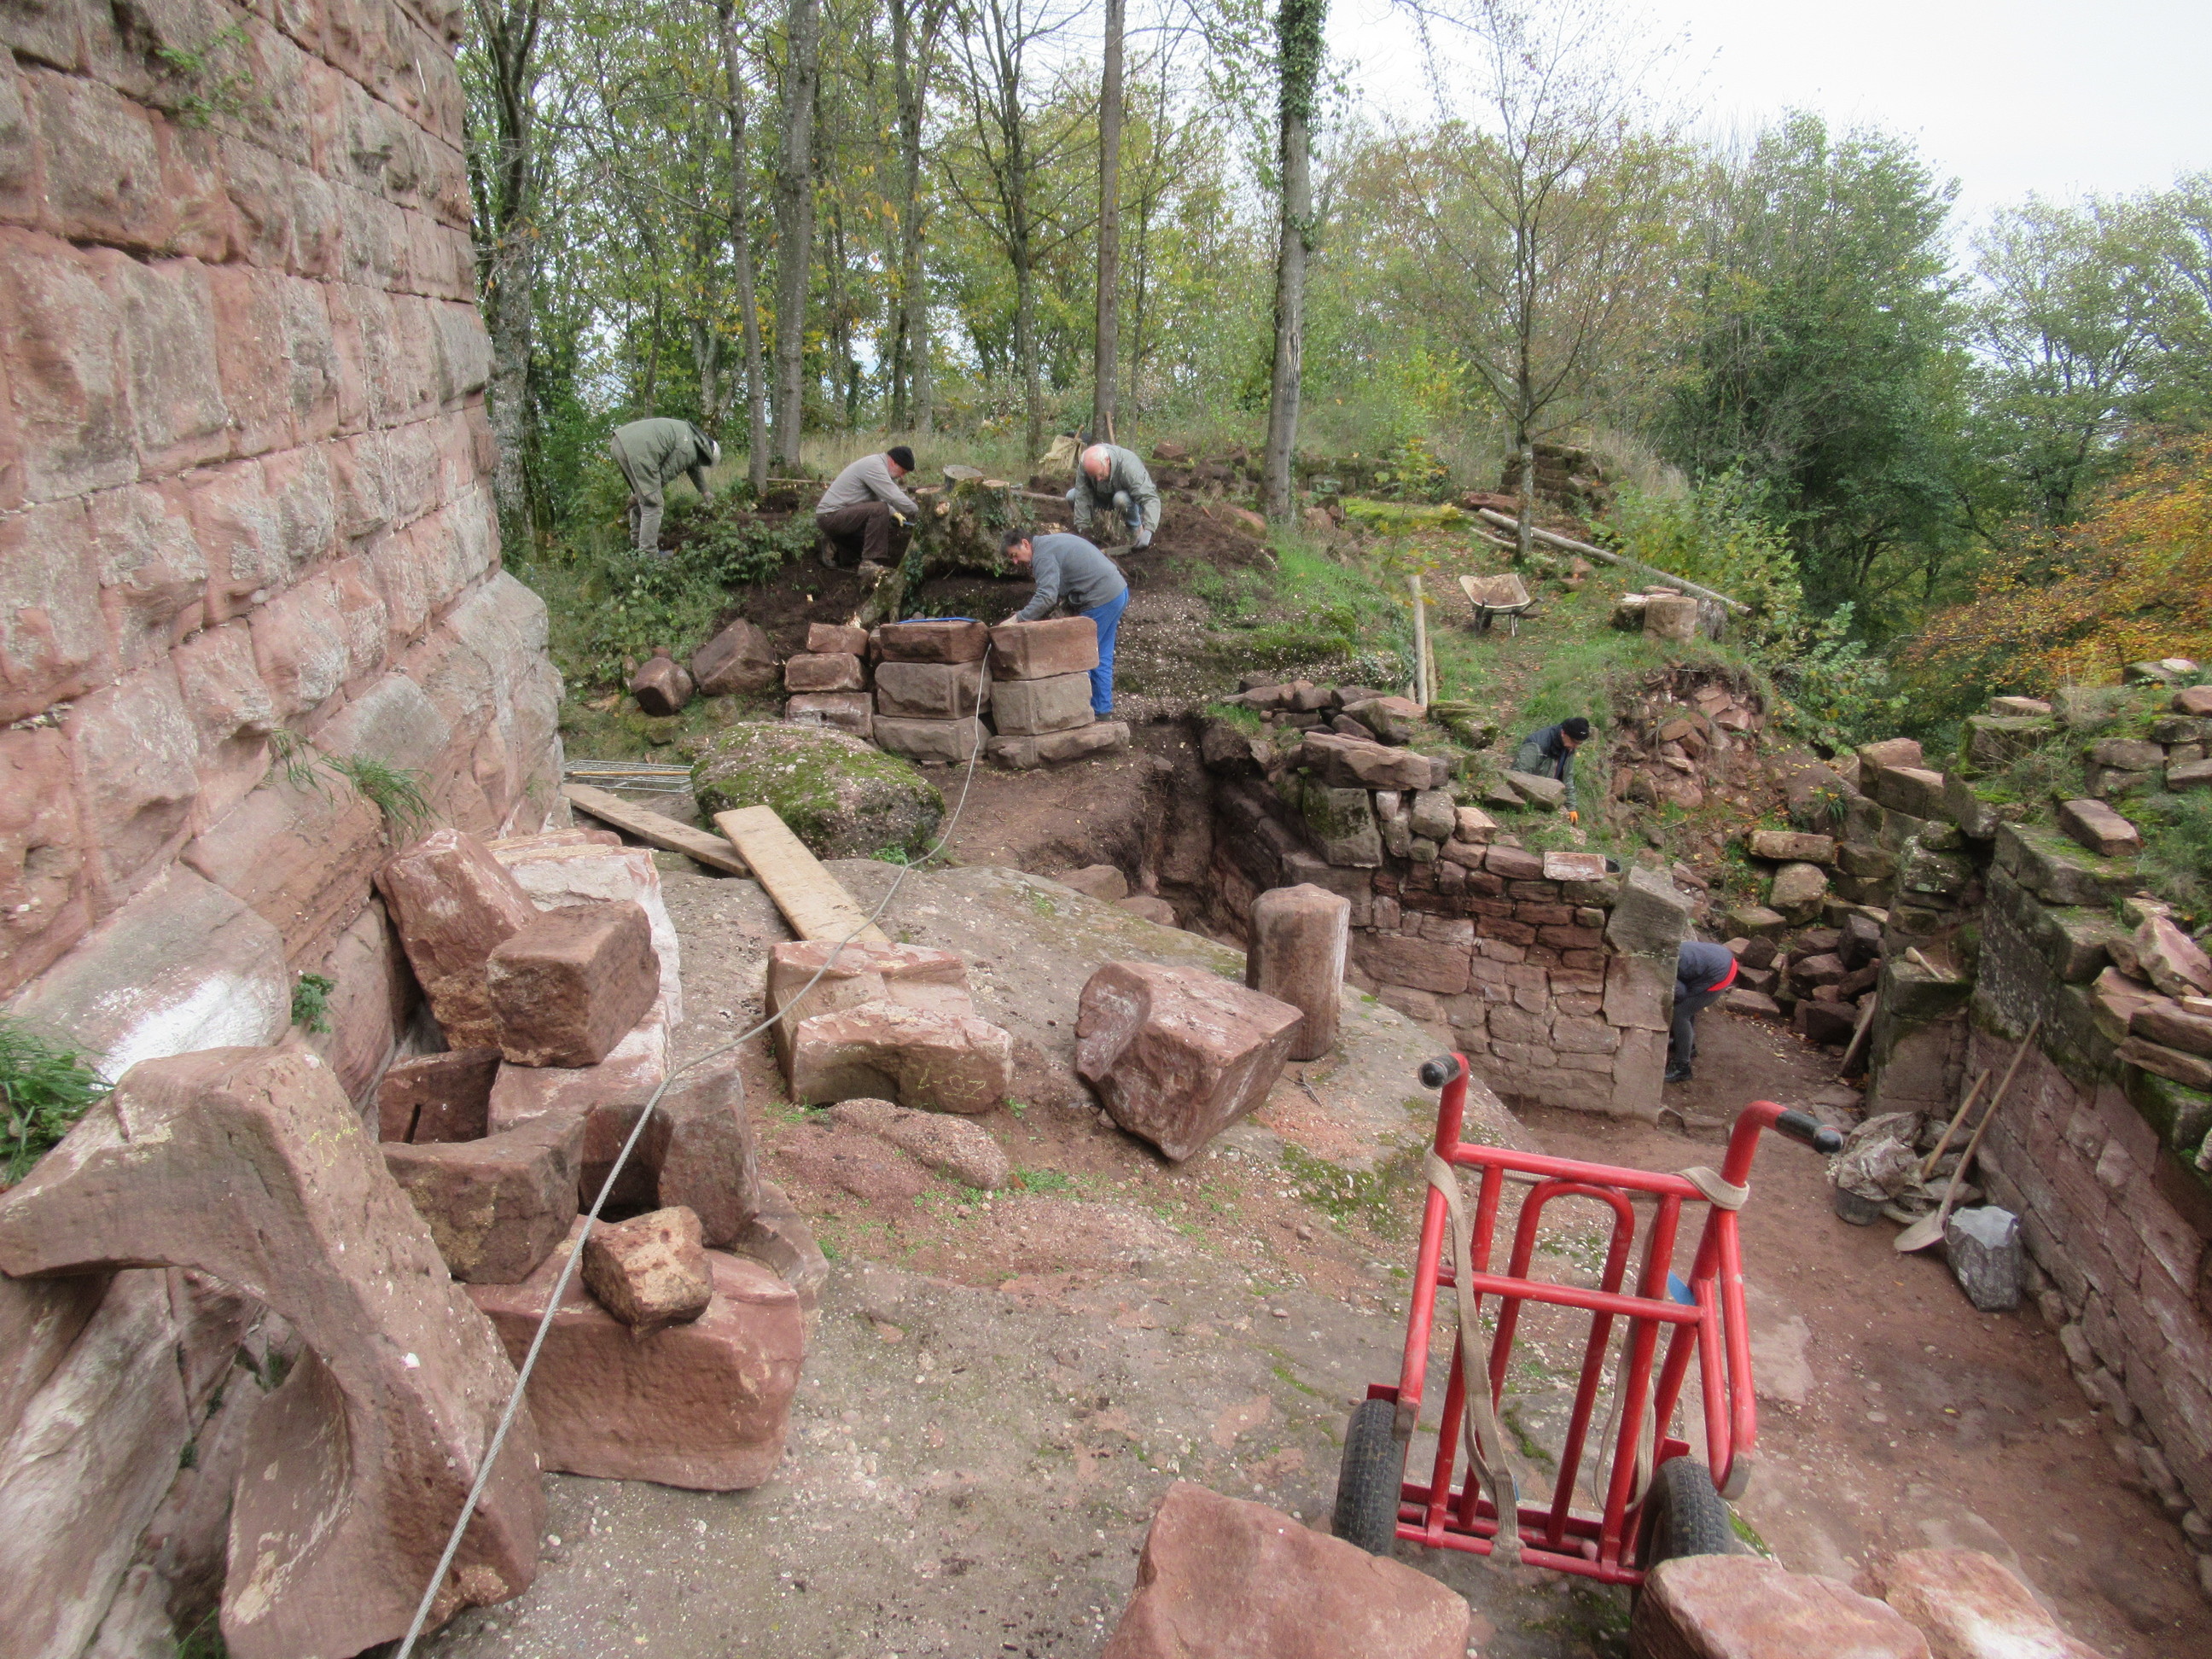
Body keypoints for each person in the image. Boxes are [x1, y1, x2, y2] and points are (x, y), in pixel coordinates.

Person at [1000, 527, 1129, 716]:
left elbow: (1046, 596)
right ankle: (1102, 711)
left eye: (1015, 555)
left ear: (1025, 544)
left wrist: (1018, 619)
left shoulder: (1042, 555)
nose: (1015, 561)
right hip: (1117, 591)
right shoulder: (1049, 544)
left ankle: (1079, 713)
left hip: (1100, 598)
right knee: (1101, 655)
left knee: (1083, 656)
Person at [608, 417, 719, 556]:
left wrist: (705, 492)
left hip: (620, 443)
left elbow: (693, 468)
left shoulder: (690, 437)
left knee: (643, 497)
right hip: (638, 451)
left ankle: (638, 541)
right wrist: (648, 493)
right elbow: (666, 473)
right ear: (707, 455)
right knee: (653, 503)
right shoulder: (688, 449)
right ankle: (649, 555)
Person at [815, 445, 920, 569]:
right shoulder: (874, 466)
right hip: (830, 516)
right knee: (879, 510)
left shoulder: (878, 466)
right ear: (893, 462)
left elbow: (879, 497)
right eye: (903, 472)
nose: (902, 476)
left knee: (873, 540)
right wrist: (920, 512)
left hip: (842, 515)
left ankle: (832, 546)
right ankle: (868, 564)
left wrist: (893, 513)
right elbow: (894, 496)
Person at [1066, 442, 1162, 550]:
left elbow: (1150, 498)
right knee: (1072, 496)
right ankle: (1096, 530)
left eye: (1100, 474)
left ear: (1107, 461)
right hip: (1102, 497)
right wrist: (1084, 530)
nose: (1098, 479)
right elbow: (1082, 495)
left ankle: (1136, 532)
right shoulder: (1086, 465)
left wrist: (1149, 530)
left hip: (1128, 501)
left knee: (1120, 499)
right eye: (1094, 476)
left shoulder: (1129, 466)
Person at [1668, 939, 1738, 1084]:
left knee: (1680, 1013)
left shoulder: (1667, 965)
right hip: (1721, 957)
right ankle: (1685, 1045)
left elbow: (1680, 993)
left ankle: (1682, 1067)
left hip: (1719, 974)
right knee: (1688, 1005)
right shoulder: (1667, 951)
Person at [1510, 715, 1592, 824]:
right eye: (1574, 742)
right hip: (1531, 797)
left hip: (1548, 797)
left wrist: (1571, 807)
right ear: (1564, 733)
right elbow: (1518, 777)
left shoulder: (1569, 746)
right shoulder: (1536, 745)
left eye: (1579, 743)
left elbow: (1567, 778)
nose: (1576, 746)